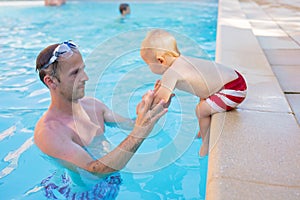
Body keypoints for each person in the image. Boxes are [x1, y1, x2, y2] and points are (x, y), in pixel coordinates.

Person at [34, 40, 169, 176]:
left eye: (83, 69)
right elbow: (94, 171)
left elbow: (132, 125)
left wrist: (155, 105)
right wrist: (139, 133)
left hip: (113, 178)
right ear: (51, 81)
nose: (85, 78)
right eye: (75, 73)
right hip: (82, 193)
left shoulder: (94, 106)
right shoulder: (49, 132)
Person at [140, 29, 247, 157]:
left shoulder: (171, 73)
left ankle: (206, 144)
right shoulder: (181, 61)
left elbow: (161, 102)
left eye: (148, 64)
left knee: (201, 110)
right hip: (234, 78)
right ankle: (204, 130)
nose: (148, 68)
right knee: (202, 99)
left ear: (160, 61)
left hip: (233, 90)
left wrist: (145, 106)